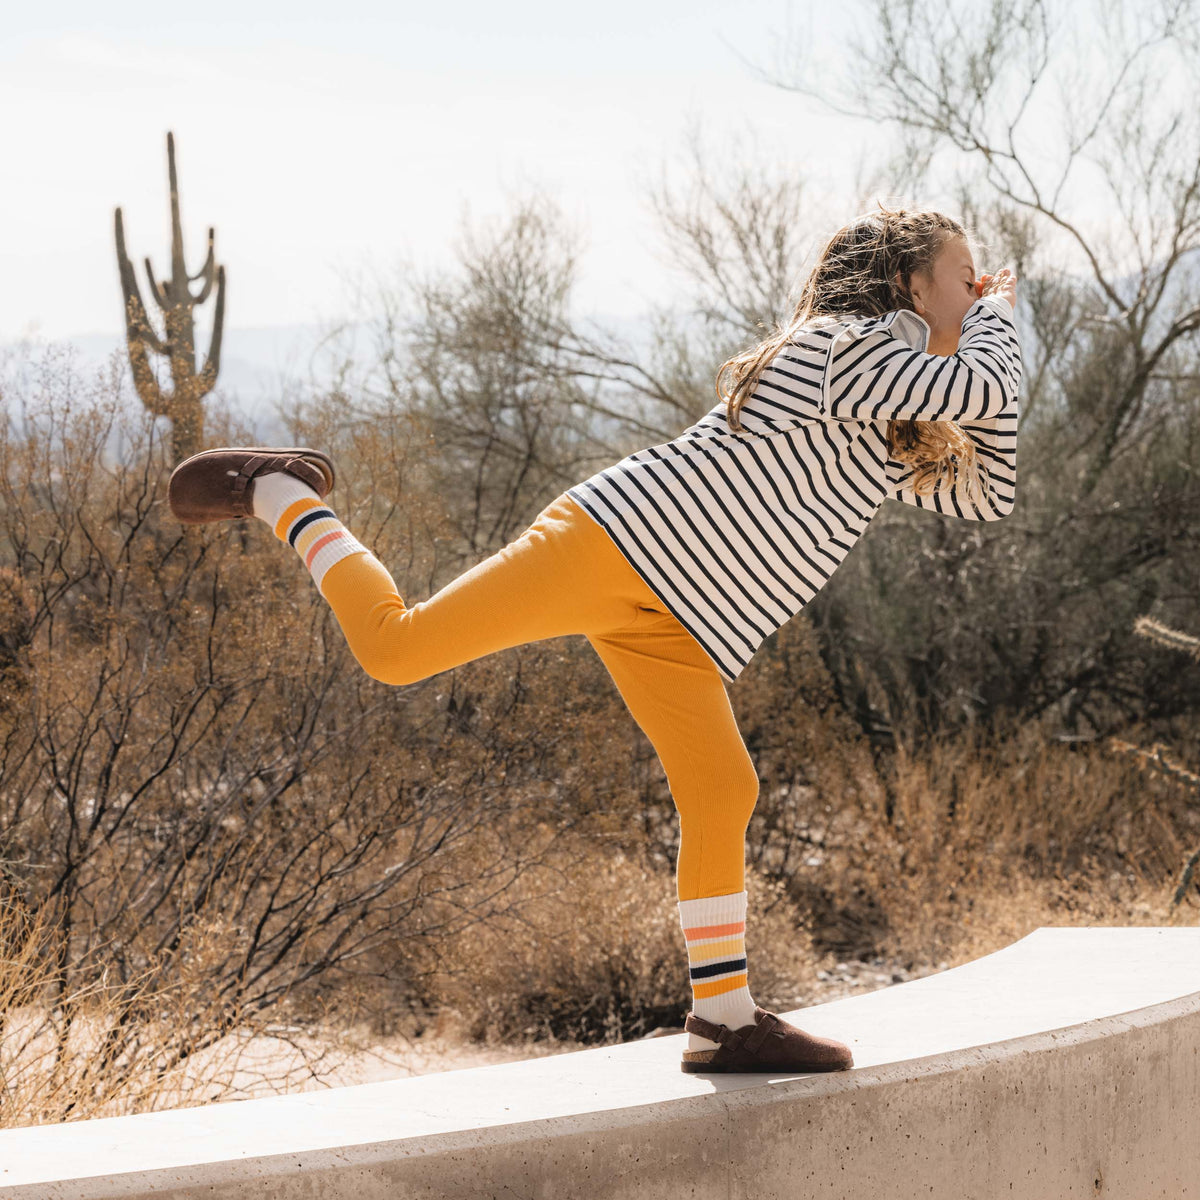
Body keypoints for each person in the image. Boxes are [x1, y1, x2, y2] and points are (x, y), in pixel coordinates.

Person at [168, 204, 1021, 1075]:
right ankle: (281, 495)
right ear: (911, 285)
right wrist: (995, 323)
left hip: (683, 625)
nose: (980, 287)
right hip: (614, 546)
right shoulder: (846, 350)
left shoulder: (885, 418)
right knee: (396, 649)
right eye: (966, 275)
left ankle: (722, 1021)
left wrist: (982, 340)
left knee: (724, 788)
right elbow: (990, 386)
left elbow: (988, 492)